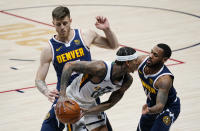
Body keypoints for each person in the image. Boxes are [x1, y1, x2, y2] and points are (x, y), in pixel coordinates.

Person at [35, 6, 119, 131]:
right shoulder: (49, 49)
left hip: (88, 94)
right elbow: (39, 79)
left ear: (70, 20)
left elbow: (113, 45)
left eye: (65, 23)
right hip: (65, 96)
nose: (62, 27)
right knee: (47, 128)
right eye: (58, 24)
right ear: (53, 24)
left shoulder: (85, 35)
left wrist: (107, 30)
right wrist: (46, 91)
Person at [57, 47, 138, 131]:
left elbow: (110, 103)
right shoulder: (101, 68)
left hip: (90, 102)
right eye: (135, 61)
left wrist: (88, 111)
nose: (137, 63)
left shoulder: (127, 81)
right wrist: (62, 95)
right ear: (128, 63)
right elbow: (69, 65)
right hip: (72, 99)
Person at [134, 43, 181, 131]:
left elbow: (160, 106)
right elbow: (126, 66)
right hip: (152, 104)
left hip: (169, 108)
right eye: (151, 52)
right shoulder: (141, 61)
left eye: (155, 55)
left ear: (164, 59)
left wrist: (148, 110)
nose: (150, 56)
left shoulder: (164, 80)